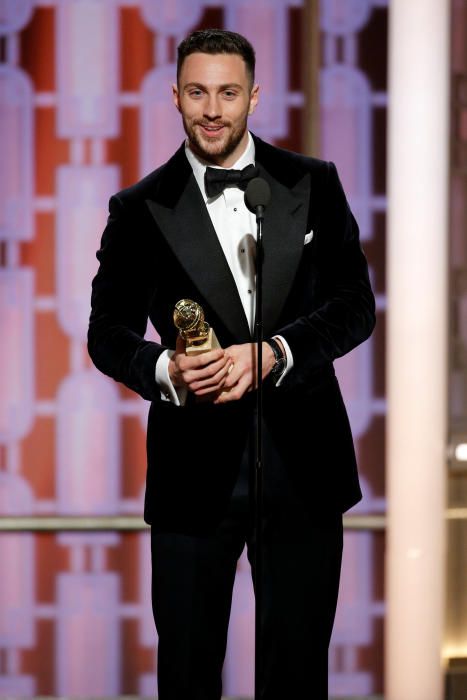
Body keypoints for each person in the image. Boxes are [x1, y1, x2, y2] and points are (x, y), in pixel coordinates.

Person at [88, 28, 375, 700]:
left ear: (253, 96)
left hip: (303, 468)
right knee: (186, 676)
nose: (212, 108)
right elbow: (107, 333)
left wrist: (275, 352)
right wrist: (166, 373)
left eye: (227, 92)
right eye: (197, 92)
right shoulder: (138, 209)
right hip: (193, 475)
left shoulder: (313, 183)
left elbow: (353, 306)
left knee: (297, 675)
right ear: (175, 97)